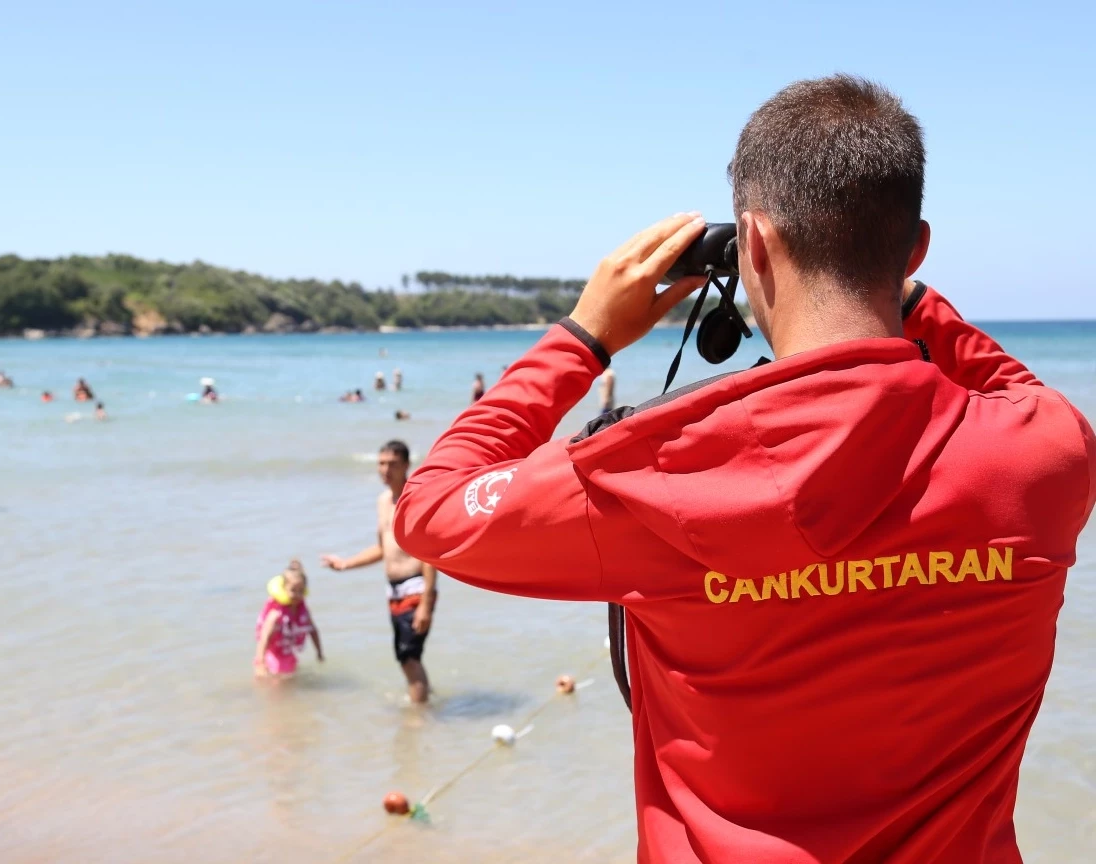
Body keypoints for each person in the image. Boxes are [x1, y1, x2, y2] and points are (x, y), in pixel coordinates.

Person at [391, 76, 1096, 864]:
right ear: (916, 249)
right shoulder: (1046, 456)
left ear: (751, 243)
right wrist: (911, 295)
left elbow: (429, 507)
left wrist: (582, 337)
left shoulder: (651, 477)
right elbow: (1015, 387)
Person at [323, 440, 437, 703]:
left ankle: (418, 716)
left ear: (406, 466)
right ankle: (424, 704)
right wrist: (345, 563)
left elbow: (428, 553)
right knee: (404, 657)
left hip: (416, 587)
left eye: (392, 464)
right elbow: (382, 548)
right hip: (394, 591)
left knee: (409, 658)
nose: (385, 470)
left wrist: (426, 602)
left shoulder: (415, 499)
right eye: (381, 463)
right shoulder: (383, 501)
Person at [254, 561, 323, 677]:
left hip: (288, 654)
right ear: (283, 589)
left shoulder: (303, 611)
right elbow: (264, 637)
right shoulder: (276, 613)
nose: (297, 594)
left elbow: (313, 630)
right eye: (293, 590)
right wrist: (261, 662)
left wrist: (319, 652)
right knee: (277, 683)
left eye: (301, 591)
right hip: (271, 657)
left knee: (290, 680)